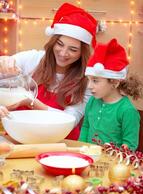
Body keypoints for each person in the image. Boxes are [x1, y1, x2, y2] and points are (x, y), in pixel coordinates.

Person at [0, 3, 98, 140]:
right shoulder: (34, 59)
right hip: (21, 136)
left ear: (82, 53)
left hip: (61, 142)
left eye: (73, 49)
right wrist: (4, 61)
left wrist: (30, 102)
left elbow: (71, 119)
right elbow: (5, 67)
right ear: (53, 42)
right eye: (60, 44)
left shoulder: (87, 81)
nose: (63, 53)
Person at [79, 38, 142, 150]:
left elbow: (130, 145)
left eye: (95, 81)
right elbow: (86, 127)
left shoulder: (127, 111)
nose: (89, 86)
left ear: (115, 83)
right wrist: (81, 149)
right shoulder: (92, 101)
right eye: (88, 80)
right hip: (89, 158)